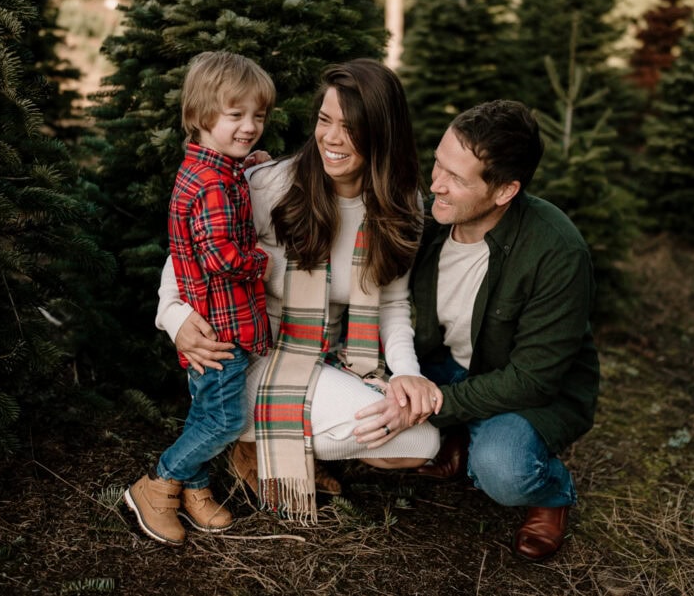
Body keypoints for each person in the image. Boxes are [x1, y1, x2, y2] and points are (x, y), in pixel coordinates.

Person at [155, 59, 442, 522]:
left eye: (350, 127)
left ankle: (259, 443)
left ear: (381, 133)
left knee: (417, 443)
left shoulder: (400, 203)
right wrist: (175, 319)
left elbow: (391, 301)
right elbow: (185, 251)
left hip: (331, 351)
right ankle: (247, 439)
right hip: (245, 355)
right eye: (324, 121)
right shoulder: (271, 184)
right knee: (409, 437)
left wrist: (406, 372)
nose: (330, 138)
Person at [352, 100, 600, 562]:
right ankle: (460, 437)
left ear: (505, 191)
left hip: (522, 387)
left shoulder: (557, 250)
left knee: (503, 471)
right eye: (437, 165)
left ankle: (552, 495)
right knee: (363, 422)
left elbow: (534, 378)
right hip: (444, 365)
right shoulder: (425, 222)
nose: (435, 185)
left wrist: (437, 406)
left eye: (456, 179)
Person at [124, 51, 275, 546]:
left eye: (258, 115)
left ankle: (195, 489)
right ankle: (158, 483)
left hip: (214, 322)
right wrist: (262, 261)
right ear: (202, 114)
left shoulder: (212, 168)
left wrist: (247, 166)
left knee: (204, 412)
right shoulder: (213, 184)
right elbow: (221, 256)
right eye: (236, 115)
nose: (250, 126)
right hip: (220, 329)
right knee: (226, 419)